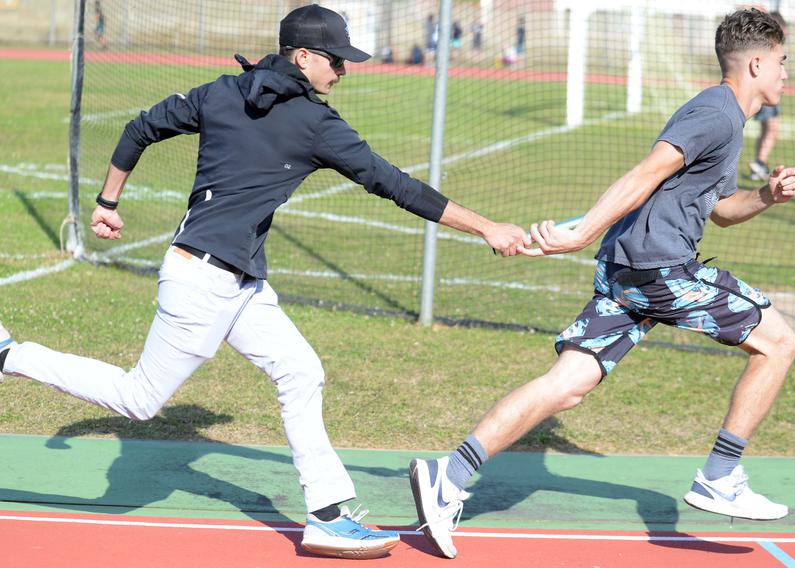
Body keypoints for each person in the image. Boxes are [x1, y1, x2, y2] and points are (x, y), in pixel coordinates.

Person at [0, 4, 527, 561]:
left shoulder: (224, 90)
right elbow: (395, 184)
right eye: (337, 61)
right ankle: (8, 353)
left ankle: (326, 518)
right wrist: (486, 226)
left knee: (301, 371)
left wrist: (108, 203)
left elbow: (140, 128)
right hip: (202, 283)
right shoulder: (315, 124)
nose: (343, 72)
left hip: (235, 281)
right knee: (138, 399)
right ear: (302, 56)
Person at [409, 9, 795, 559]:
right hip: (660, 269)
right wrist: (577, 234)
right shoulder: (715, 113)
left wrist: (765, 197)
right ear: (757, 62)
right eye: (783, 62)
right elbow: (644, 173)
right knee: (780, 341)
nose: (787, 73)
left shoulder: (728, 117)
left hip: (631, 271)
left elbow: (718, 209)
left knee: (566, 385)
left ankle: (446, 477)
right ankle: (721, 474)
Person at [749, 11, 787, 181]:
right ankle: (759, 163)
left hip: (766, 91)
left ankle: (759, 164)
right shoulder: (770, 46)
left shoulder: (770, 45)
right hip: (767, 91)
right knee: (772, 129)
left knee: (767, 129)